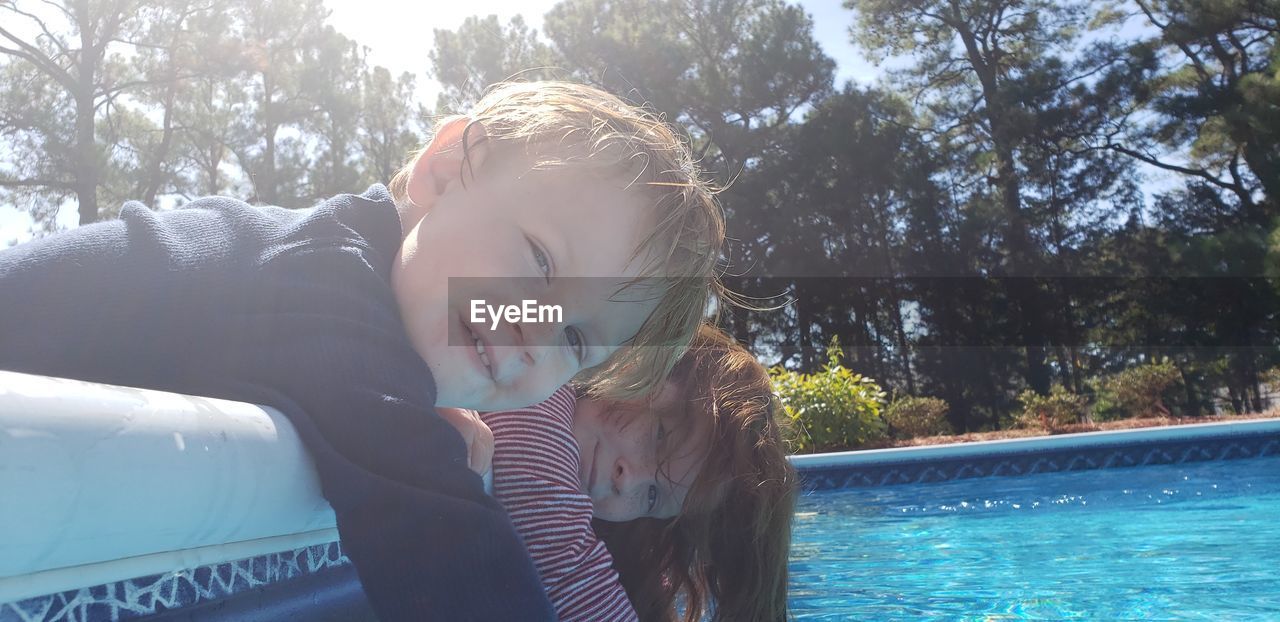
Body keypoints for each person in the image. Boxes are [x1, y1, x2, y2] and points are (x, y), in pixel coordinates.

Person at [0, 81, 725, 621]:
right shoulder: (319, 278)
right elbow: (444, 550)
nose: (534, 327)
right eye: (539, 262)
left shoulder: (349, 308)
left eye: (573, 337)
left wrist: (419, 405)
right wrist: (409, 424)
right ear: (444, 169)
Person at [462, 324, 797, 621]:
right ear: (642, 367)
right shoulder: (544, 365)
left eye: (652, 497)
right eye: (659, 437)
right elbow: (550, 535)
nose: (631, 479)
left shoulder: (612, 547)